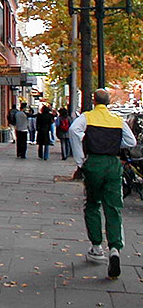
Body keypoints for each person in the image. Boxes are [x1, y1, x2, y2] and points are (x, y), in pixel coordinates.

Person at [69, 88, 136, 279]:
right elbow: (130, 142)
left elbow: (74, 130)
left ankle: (97, 246)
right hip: (113, 164)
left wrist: (80, 160)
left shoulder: (87, 117)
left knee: (92, 204)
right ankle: (114, 248)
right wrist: (113, 144)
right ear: (108, 101)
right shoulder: (117, 119)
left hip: (94, 163)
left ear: (94, 100)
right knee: (114, 207)